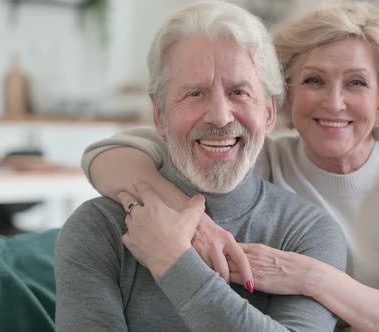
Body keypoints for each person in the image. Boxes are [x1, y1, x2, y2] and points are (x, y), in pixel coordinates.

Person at [81, 2, 379, 331]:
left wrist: (311, 277)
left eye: (356, 83)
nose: (333, 103)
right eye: (314, 81)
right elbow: (113, 154)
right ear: (285, 97)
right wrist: (189, 223)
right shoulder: (261, 154)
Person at [54, 1, 348, 331]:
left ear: (268, 113)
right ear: (159, 116)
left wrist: (174, 265)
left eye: (239, 92)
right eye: (195, 93)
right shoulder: (98, 229)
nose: (220, 116)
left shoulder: (307, 233)